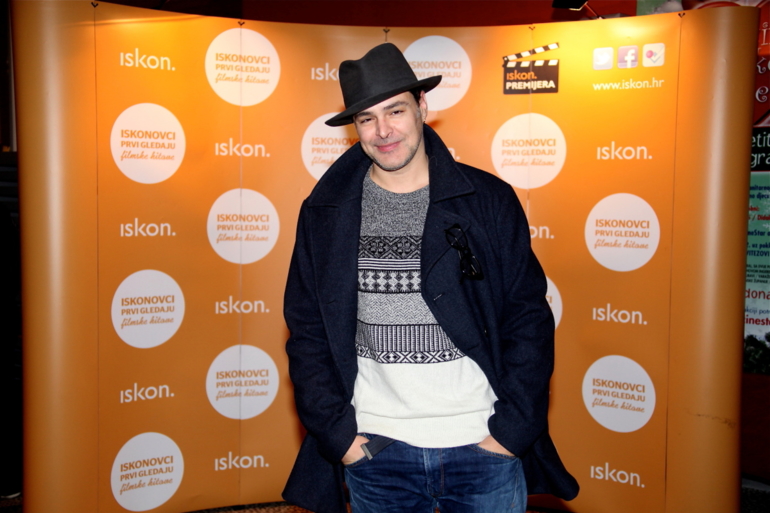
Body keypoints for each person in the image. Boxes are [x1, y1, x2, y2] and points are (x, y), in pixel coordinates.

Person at [283, 42, 578, 513]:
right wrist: (341, 438)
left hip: (483, 445)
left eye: (395, 110)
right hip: (376, 450)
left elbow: (528, 319)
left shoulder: (487, 200)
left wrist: (510, 433)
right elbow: (307, 329)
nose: (383, 131)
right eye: (366, 118)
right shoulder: (325, 213)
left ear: (422, 106)